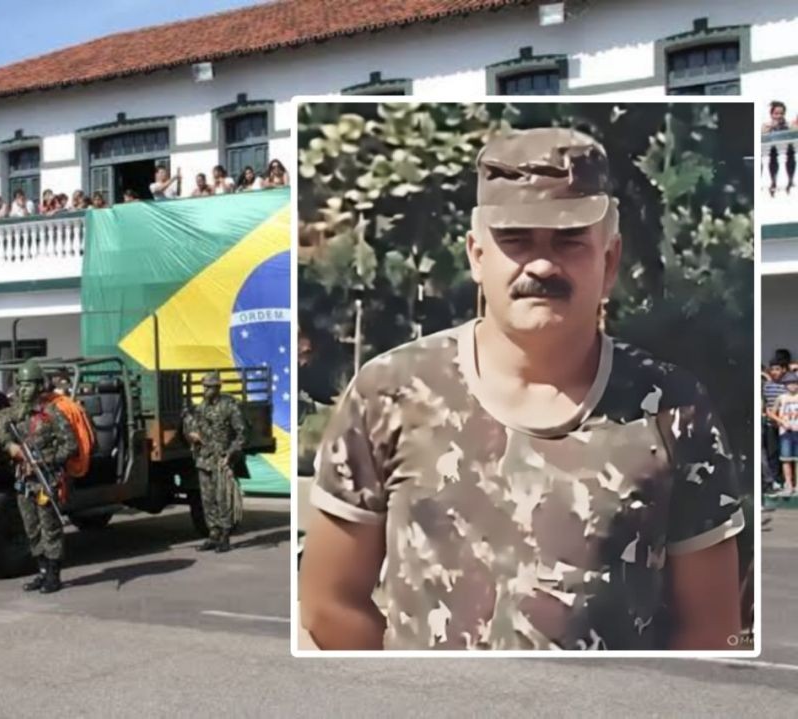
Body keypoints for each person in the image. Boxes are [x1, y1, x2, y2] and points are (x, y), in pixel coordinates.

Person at [300, 127, 744, 651]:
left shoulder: (673, 408)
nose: (540, 264)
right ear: (476, 255)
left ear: (609, 262)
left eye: (568, 240)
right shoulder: (390, 392)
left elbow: (712, 631)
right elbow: (329, 603)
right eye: (515, 239)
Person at [6, 359, 78, 594]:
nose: (22, 389)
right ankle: (41, 572)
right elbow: (1, 434)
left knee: (50, 527)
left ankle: (54, 575)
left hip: (47, 478)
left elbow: (70, 446)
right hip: (25, 481)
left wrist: (45, 460)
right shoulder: (16, 413)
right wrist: (11, 448)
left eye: (27, 385)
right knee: (31, 527)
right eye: (20, 385)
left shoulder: (52, 413)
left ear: (39, 386)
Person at [183, 372, 245, 553]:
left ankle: (225, 535)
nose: (206, 390)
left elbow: (241, 434)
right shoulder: (202, 408)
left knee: (222, 497)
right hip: (204, 458)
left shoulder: (229, 406)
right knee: (207, 498)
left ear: (218, 387)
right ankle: (213, 534)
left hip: (221, 460)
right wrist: (192, 435)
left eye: (209, 387)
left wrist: (231, 454)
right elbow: (194, 428)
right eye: (205, 387)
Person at [768, 372, 798, 496]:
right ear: (785, 385)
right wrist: (781, 422)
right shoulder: (781, 398)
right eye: (790, 383)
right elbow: (771, 412)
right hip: (785, 431)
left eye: (795, 383)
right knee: (786, 459)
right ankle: (789, 484)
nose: (793, 386)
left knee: (797, 459)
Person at [763, 354, 788, 492]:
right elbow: (765, 404)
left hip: (786, 425)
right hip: (771, 424)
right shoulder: (767, 386)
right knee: (772, 453)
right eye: (772, 369)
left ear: (783, 370)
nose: (774, 372)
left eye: (777, 369)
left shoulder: (787, 386)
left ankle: (785, 479)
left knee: (785, 454)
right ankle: (776, 479)